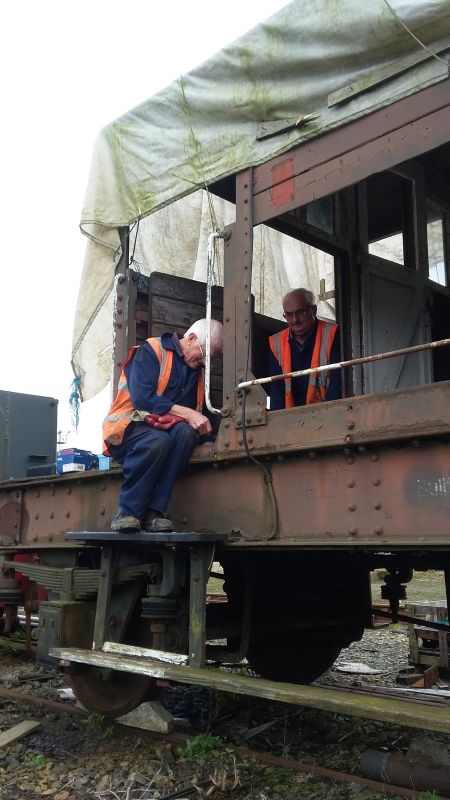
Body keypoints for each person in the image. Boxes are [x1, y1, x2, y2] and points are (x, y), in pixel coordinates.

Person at [103, 318, 223, 533]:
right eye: (205, 355)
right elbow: (143, 399)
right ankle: (128, 512)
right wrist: (188, 413)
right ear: (191, 338)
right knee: (158, 441)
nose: (206, 363)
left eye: (211, 359)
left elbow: (203, 417)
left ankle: (155, 512)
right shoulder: (151, 350)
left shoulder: (198, 371)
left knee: (186, 434)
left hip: (162, 433)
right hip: (126, 428)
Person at [268, 288, 341, 410]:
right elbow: (277, 391)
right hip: (291, 418)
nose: (295, 320)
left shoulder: (333, 334)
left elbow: (338, 383)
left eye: (300, 312)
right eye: (289, 315)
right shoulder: (276, 343)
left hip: (327, 413)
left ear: (313, 310)